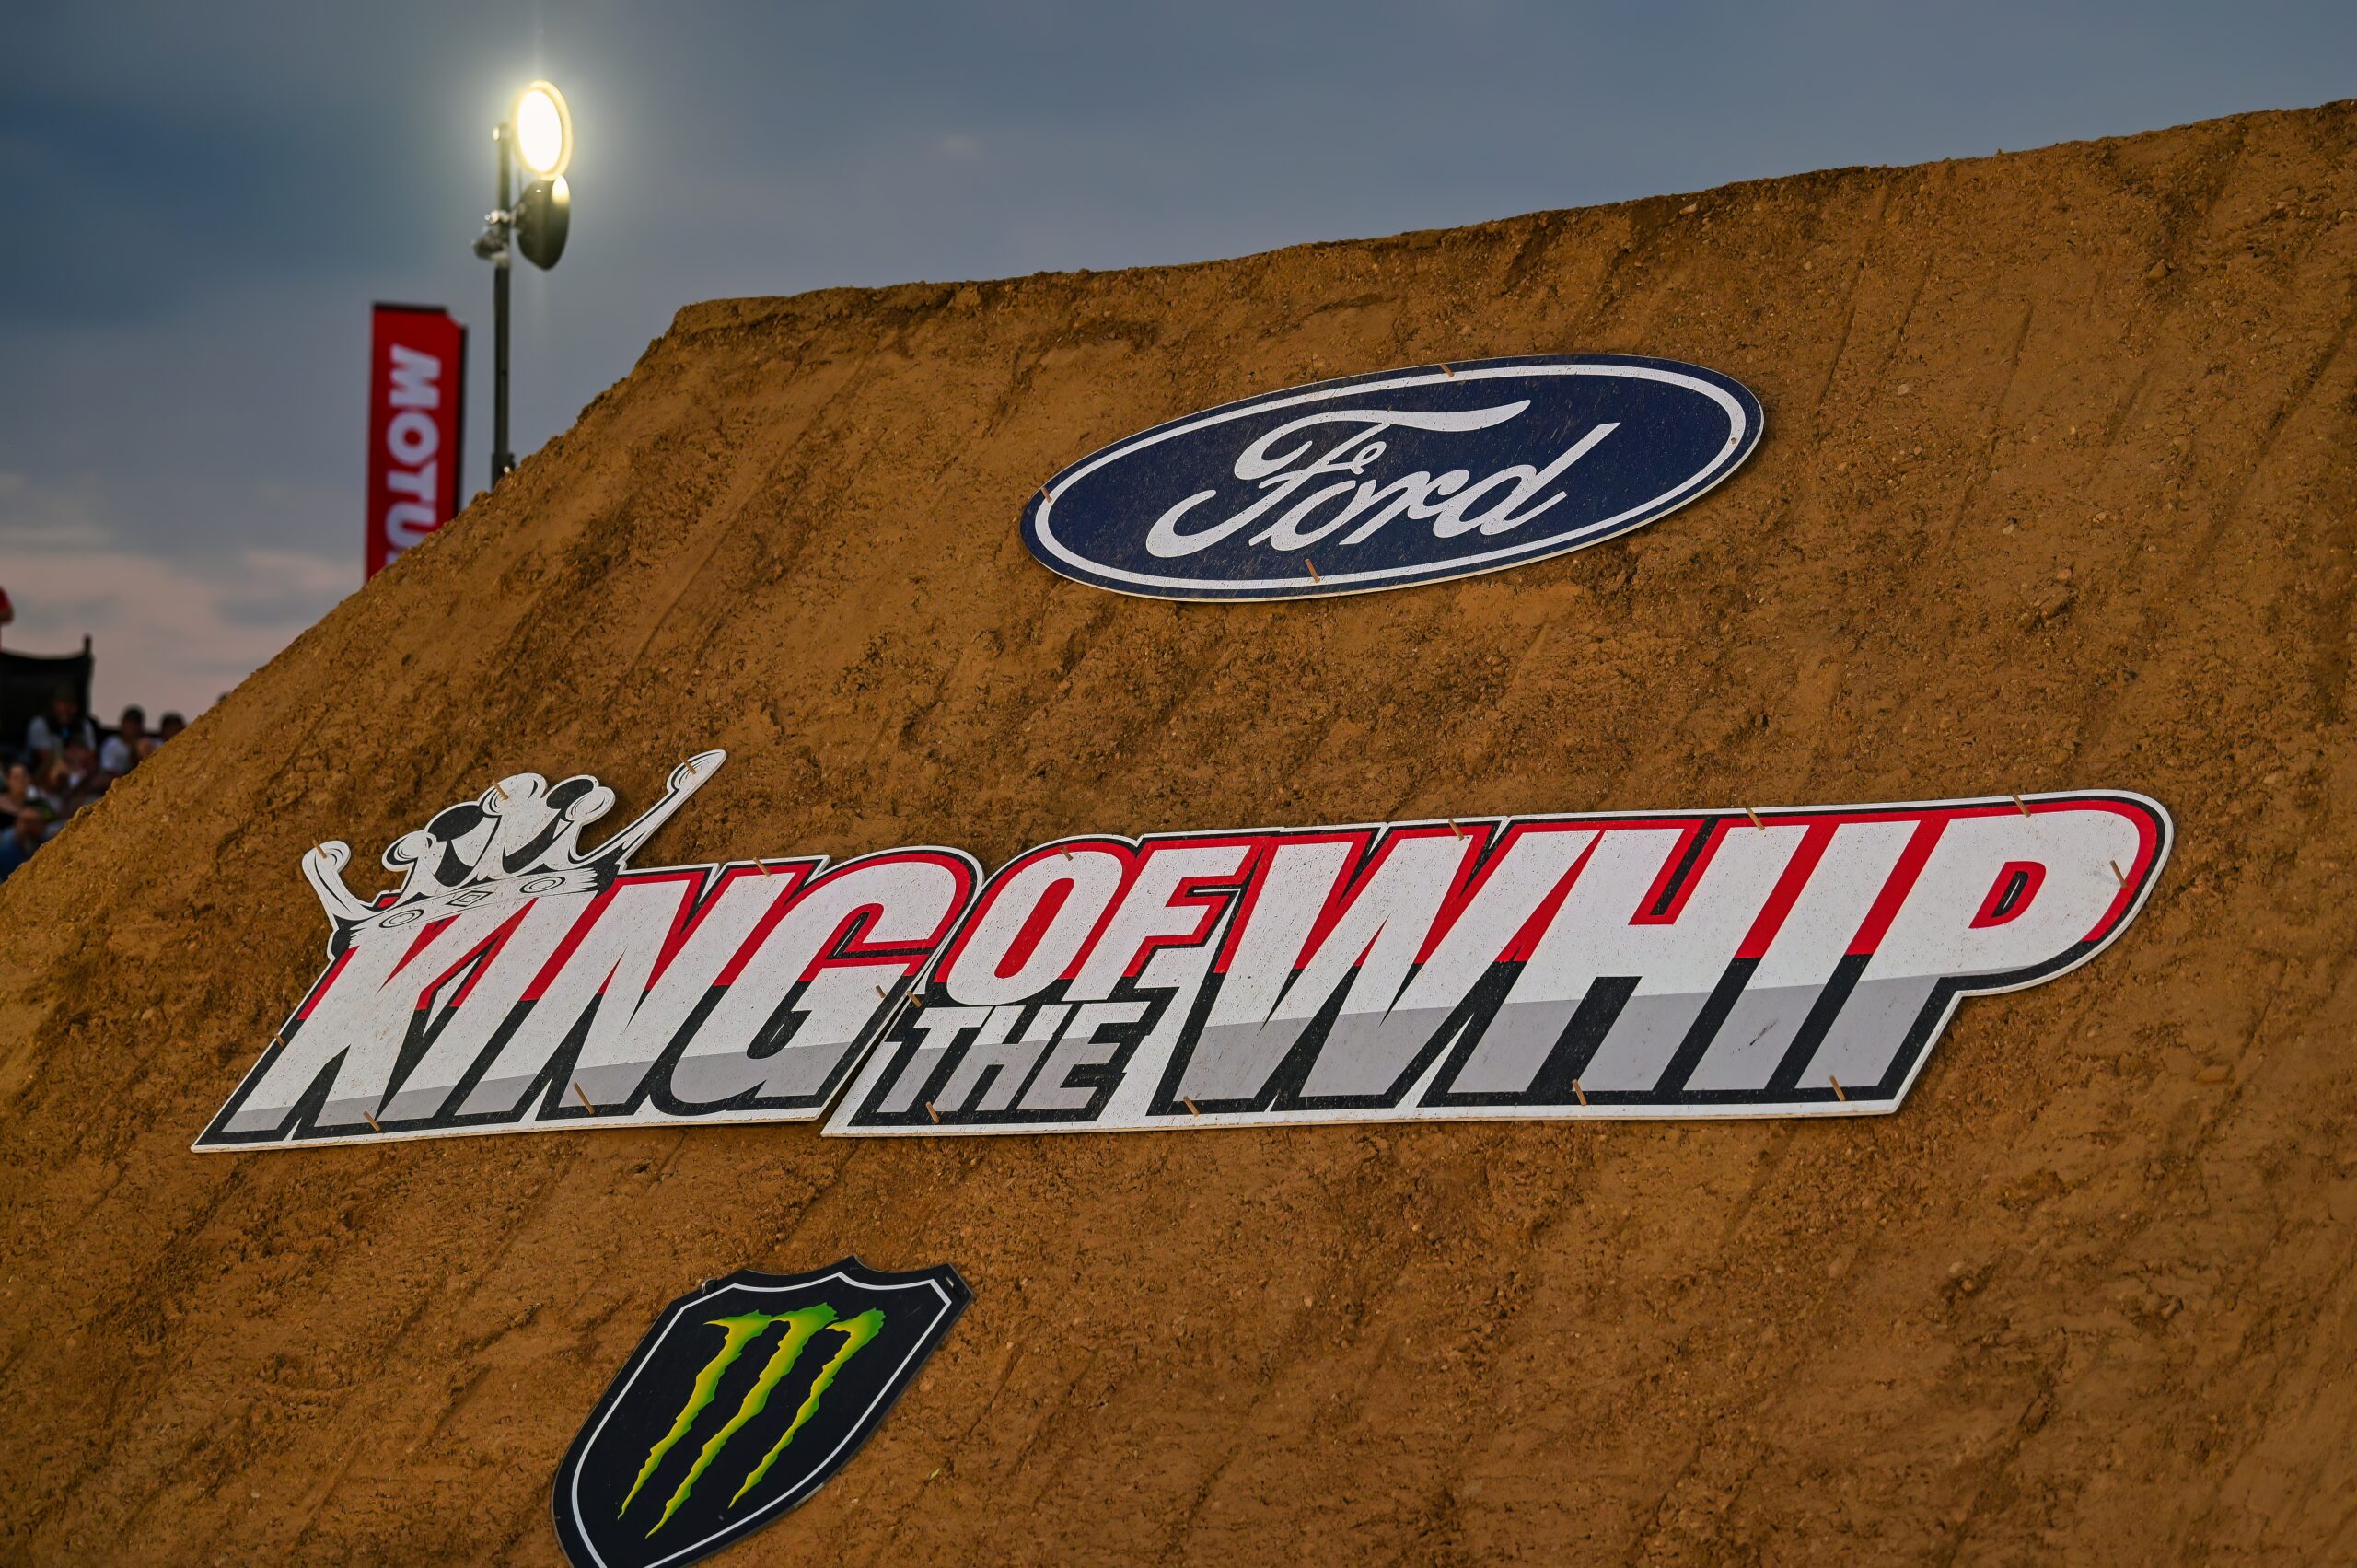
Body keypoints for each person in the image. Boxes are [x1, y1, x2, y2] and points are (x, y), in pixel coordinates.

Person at [26, 692, 96, 767]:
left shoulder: (83, 724)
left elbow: (92, 758)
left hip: (78, 769)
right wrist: (69, 756)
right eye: (63, 704)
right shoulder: (40, 724)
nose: (66, 709)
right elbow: (45, 760)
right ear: (53, 705)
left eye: (71, 705)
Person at [100, 705, 145, 775]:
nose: (131, 726)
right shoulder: (111, 744)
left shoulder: (144, 745)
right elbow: (107, 770)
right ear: (122, 722)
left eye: (135, 723)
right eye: (129, 722)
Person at [0, 806, 40, 881]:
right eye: (26, 822)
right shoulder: (3, 853)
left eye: (36, 822)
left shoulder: (51, 850)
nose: (30, 826)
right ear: (16, 824)